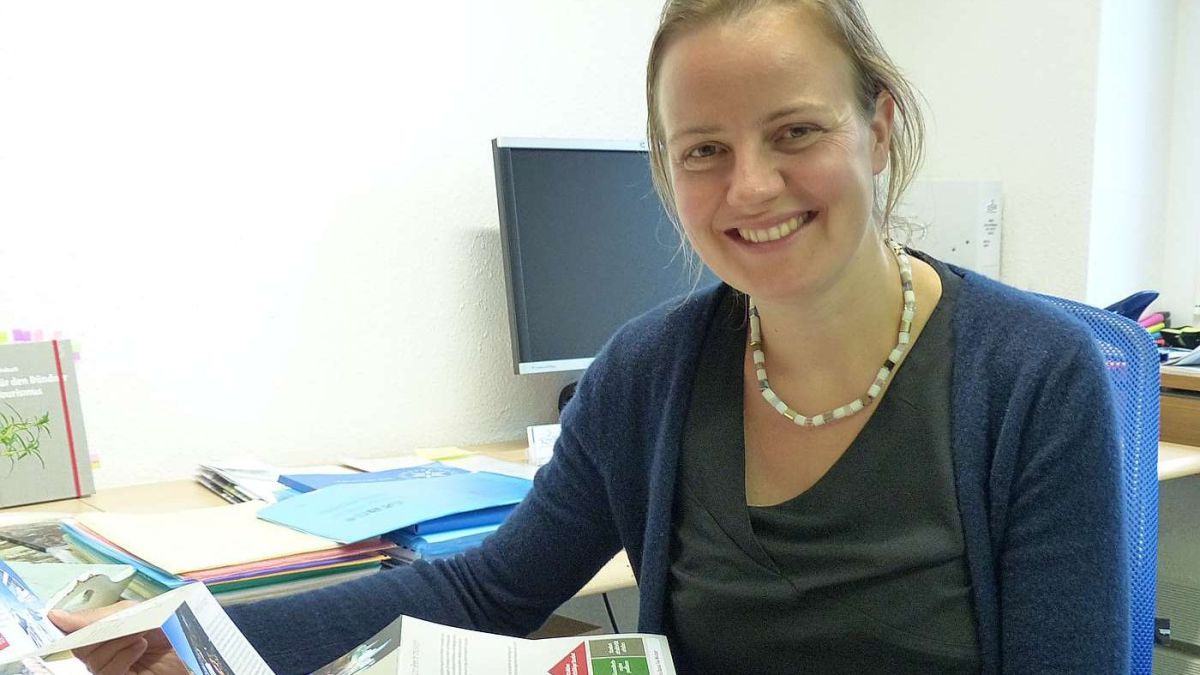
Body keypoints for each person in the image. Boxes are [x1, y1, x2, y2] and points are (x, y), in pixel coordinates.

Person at [51, 1, 1128, 673]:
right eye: (703, 150)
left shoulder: (1035, 378)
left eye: (795, 131)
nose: (752, 186)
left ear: (878, 126)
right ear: (664, 169)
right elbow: (484, 590)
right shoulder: (649, 373)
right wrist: (193, 636)